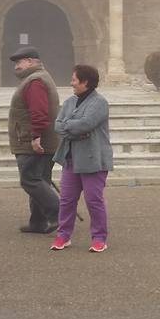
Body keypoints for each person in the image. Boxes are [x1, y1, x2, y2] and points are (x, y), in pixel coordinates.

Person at [50, 64, 112, 253]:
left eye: (74, 80)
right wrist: (74, 129)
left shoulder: (99, 103)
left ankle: (99, 238)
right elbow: (57, 125)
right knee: (66, 200)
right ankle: (63, 235)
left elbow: (87, 124)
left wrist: (69, 127)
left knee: (93, 200)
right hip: (70, 159)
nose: (71, 83)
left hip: (93, 160)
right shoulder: (69, 102)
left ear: (85, 82)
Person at [8, 45, 61, 235]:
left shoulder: (35, 81)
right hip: (42, 141)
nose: (16, 66)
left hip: (33, 142)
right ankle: (38, 222)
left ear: (30, 61)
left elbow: (38, 111)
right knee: (40, 181)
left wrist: (35, 136)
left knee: (30, 180)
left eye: (19, 62)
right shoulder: (38, 78)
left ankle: (59, 213)